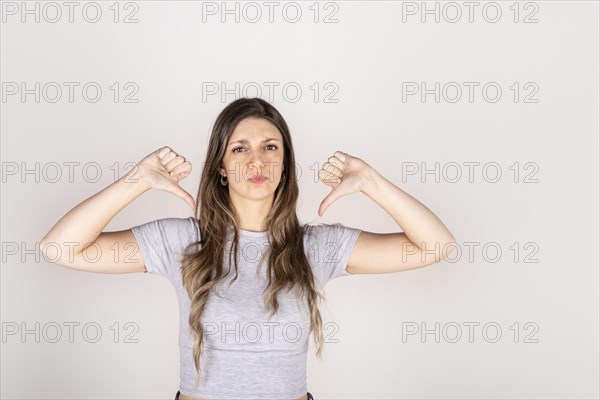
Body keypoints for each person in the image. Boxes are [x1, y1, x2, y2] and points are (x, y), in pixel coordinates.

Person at [40, 97, 456, 399]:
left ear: (285, 163)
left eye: (269, 147)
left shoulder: (317, 247)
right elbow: (61, 248)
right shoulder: (181, 241)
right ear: (221, 166)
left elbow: (435, 246)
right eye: (240, 148)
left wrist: (371, 182)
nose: (256, 161)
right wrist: (137, 179)